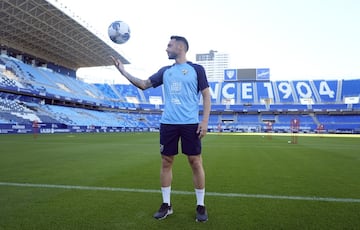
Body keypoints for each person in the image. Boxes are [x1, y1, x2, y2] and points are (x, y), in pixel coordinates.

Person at [111, 35, 211, 222]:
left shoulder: (197, 69)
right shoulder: (165, 71)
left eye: (169, 45)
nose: (166, 48)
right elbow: (143, 84)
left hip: (190, 123)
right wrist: (123, 72)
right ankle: (166, 204)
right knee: (166, 162)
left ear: (180, 47)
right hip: (168, 124)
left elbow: (206, 96)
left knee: (195, 162)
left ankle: (200, 205)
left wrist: (204, 122)